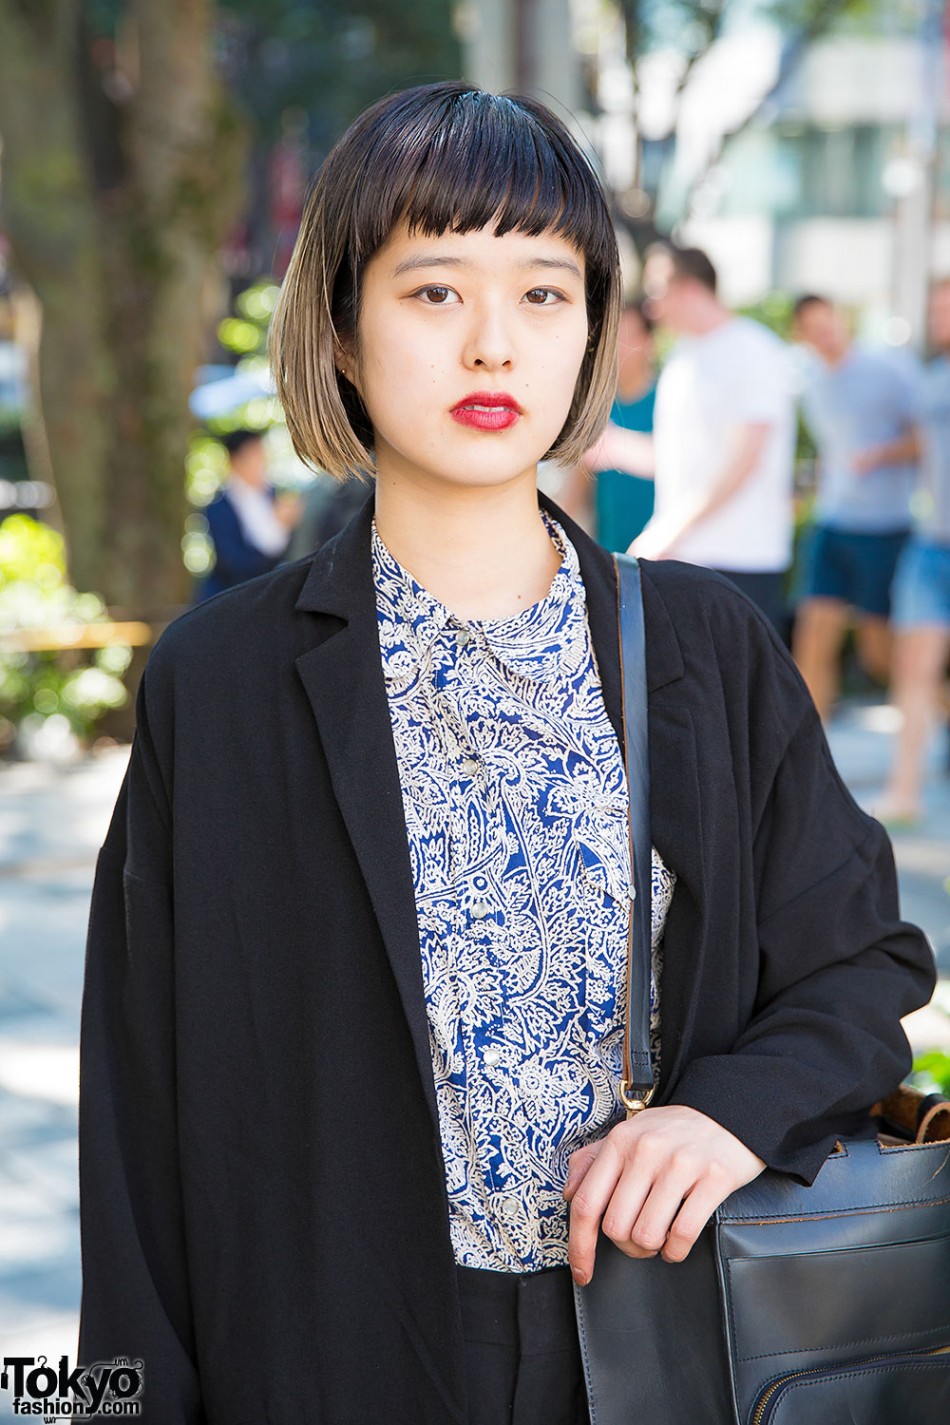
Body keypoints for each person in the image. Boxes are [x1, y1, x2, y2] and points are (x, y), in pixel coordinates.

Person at [79, 83, 934, 1424]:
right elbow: (135, 1133)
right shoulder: (221, 680)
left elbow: (859, 961)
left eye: (543, 292)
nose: (493, 345)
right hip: (326, 1356)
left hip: (664, 1351)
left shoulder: (705, 646)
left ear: (592, 328)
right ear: (344, 333)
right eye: (433, 291)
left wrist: (723, 1112)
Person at [628, 243, 797, 632]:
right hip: (688, 557)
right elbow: (684, 459)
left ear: (689, 288)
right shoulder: (685, 356)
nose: (652, 307)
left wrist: (670, 530)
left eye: (657, 291)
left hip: (739, 559)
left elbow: (745, 459)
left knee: (738, 691)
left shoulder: (753, 351)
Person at [791, 295, 920, 720]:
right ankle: (807, 769)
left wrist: (882, 454)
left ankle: (937, 709)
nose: (824, 333)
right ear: (803, 336)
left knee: (879, 655)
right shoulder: (810, 383)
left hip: (885, 528)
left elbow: (928, 439)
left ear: (841, 319)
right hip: (833, 523)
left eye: (828, 322)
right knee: (812, 640)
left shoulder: (886, 372)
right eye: (813, 328)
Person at [879, 280, 950, 822]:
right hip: (931, 545)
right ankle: (904, 793)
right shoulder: (930, 378)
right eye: (934, 307)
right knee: (911, 663)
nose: (938, 316)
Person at [561, 299, 657, 550]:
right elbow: (577, 491)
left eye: (628, 338)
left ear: (650, 343)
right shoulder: (598, 408)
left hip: (666, 557)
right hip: (612, 559)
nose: (618, 349)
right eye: (613, 339)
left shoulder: (669, 401)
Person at [195, 427, 301, 600]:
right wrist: (279, 527)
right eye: (254, 455)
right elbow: (234, 564)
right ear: (235, 460)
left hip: (275, 593)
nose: (262, 462)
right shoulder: (218, 508)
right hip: (231, 595)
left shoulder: (277, 495)